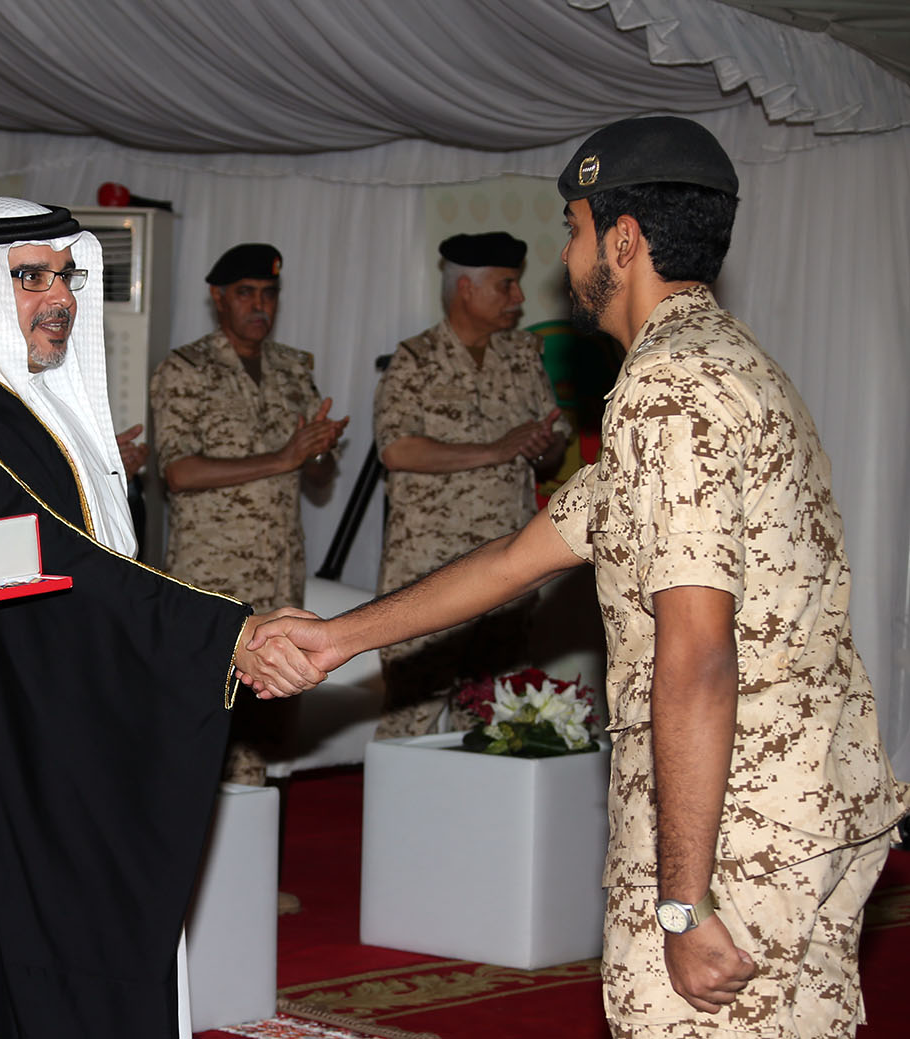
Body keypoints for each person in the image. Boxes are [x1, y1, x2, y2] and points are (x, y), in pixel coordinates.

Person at [249, 116, 909, 1038]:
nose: (565, 256)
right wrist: (337, 639)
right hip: (793, 808)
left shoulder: (671, 390)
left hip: (737, 837)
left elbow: (696, 653)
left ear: (624, 240)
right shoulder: (724, 364)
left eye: (574, 228)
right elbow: (519, 557)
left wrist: (682, 902)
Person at [0, 198, 321, 1039]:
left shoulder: (17, 399)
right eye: (30, 278)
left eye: (66, 276)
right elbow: (56, 559)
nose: (59, 297)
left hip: (30, 713)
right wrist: (224, 634)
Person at [149, 243, 347, 785]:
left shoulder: (293, 368)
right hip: (212, 578)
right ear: (218, 298)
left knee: (266, 727)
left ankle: (253, 825)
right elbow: (178, 472)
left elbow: (317, 477)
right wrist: (284, 456)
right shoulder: (185, 369)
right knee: (202, 722)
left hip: (279, 573)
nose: (260, 305)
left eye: (269, 294)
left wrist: (320, 450)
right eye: (245, 293)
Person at [374, 231, 568, 738]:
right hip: (428, 573)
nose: (518, 297)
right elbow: (396, 450)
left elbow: (552, 451)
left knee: (495, 721)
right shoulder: (415, 360)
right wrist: (496, 449)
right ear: (466, 288)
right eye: (506, 285)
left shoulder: (523, 357)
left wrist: (541, 446)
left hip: (507, 567)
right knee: (410, 720)